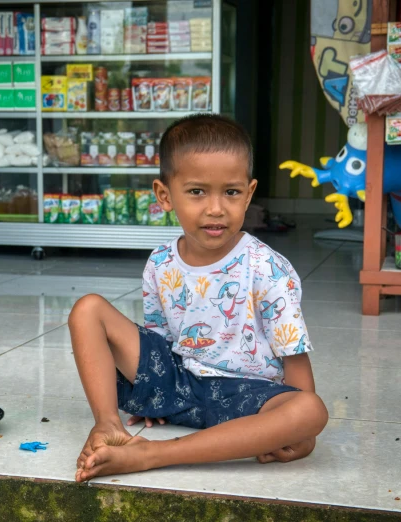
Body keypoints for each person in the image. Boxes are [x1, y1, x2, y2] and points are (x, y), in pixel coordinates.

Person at [68, 114, 328, 483]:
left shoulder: (268, 268)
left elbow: (296, 366)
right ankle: (108, 425)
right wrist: (153, 389)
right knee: (87, 308)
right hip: (180, 381)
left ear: (249, 193)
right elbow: (159, 343)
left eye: (231, 192)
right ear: (164, 195)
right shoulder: (160, 262)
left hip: (248, 399)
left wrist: (301, 432)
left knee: (310, 410)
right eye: (197, 191)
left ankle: (154, 454)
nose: (216, 208)